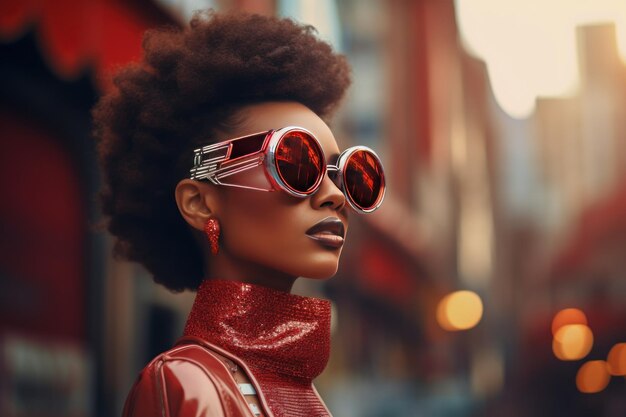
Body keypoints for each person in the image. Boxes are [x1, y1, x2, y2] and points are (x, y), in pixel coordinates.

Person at [93, 10, 385, 417]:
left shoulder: (303, 390)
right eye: (297, 163)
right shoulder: (182, 382)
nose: (335, 194)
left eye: (350, 175)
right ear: (199, 203)